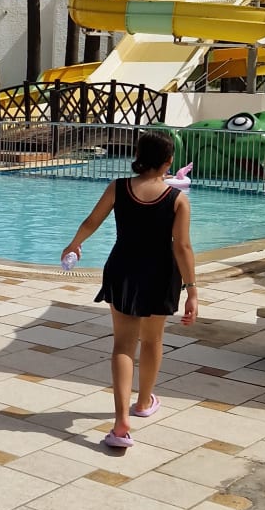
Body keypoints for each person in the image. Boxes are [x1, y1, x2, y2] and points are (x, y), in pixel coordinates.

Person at [62, 129, 198, 451]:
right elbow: (182, 247)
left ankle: (121, 421)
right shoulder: (177, 199)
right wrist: (192, 289)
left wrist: (74, 244)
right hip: (160, 274)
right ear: (168, 162)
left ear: (138, 156)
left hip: (123, 269)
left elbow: (92, 221)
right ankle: (144, 401)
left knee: (123, 345)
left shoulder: (118, 187)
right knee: (152, 340)